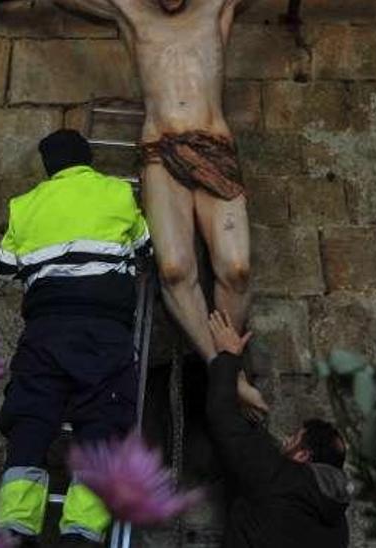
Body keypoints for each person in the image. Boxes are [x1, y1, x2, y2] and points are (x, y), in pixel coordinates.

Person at [47, 0, 269, 418]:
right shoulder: (130, 10)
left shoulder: (214, 7)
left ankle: (226, 371)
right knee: (173, 270)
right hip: (158, 152)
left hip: (214, 145)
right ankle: (228, 378)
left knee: (237, 268)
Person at [0, 129, 150, 546]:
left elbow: (4, 267)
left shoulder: (23, 206)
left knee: (30, 419)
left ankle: (15, 526)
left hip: (45, 333)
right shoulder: (118, 194)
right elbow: (145, 248)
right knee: (102, 422)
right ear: (88, 158)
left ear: (48, 167)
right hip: (105, 333)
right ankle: (80, 533)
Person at [205, 310, 352, 548]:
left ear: (303, 455)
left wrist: (228, 356)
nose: (285, 441)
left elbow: (222, 417)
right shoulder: (338, 528)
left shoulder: (279, 477)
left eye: (294, 438)